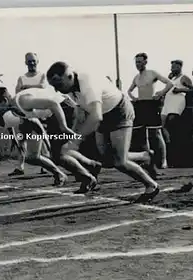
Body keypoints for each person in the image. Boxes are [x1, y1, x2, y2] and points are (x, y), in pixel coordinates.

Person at [47, 61, 160, 203]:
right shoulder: (69, 87)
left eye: (58, 84)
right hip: (104, 115)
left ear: (69, 76)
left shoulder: (87, 83)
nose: (57, 90)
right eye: (54, 86)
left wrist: (74, 142)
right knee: (107, 159)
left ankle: (151, 186)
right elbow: (81, 111)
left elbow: (95, 117)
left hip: (119, 111)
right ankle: (145, 156)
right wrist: (74, 133)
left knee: (120, 162)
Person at [0, 86, 101, 193]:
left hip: (63, 108)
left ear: (3, 100)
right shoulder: (14, 109)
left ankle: (88, 177)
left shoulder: (21, 101)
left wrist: (63, 126)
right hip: (57, 112)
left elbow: (53, 104)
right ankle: (91, 165)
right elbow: (34, 121)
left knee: (57, 155)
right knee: (58, 153)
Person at [0, 104, 68, 186]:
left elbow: (32, 120)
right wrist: (13, 138)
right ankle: (59, 172)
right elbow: (9, 124)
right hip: (26, 127)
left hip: (36, 124)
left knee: (33, 157)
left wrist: (44, 138)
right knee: (28, 155)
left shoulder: (1, 116)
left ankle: (60, 174)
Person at [127, 52, 173, 169]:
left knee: (156, 133)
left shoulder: (152, 73)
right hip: (140, 105)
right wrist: (134, 98)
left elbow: (170, 83)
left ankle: (163, 161)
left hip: (151, 104)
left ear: (145, 62)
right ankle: (148, 160)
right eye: (136, 62)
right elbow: (129, 91)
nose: (138, 64)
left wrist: (161, 93)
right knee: (141, 134)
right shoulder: (136, 77)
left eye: (140, 62)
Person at [9, 52, 50, 176]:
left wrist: (26, 87)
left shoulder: (43, 75)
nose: (31, 63)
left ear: (37, 61)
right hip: (25, 113)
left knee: (42, 139)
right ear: (25, 62)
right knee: (22, 139)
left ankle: (45, 166)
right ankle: (20, 167)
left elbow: (42, 87)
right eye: (29, 61)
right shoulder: (21, 78)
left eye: (33, 61)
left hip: (40, 111)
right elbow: (17, 91)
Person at [161, 60, 193, 149]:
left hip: (177, 102)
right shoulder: (171, 79)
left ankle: (175, 144)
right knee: (162, 124)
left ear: (180, 67)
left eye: (174, 67)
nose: (172, 69)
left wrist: (180, 90)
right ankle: (169, 142)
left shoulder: (184, 78)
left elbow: (192, 90)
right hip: (168, 103)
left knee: (172, 121)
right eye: (171, 67)